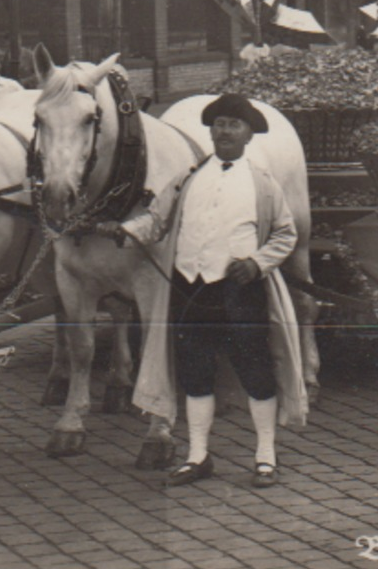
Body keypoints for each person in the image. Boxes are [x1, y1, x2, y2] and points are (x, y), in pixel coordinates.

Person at [96, 93, 300, 490]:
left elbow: (284, 233)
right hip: (190, 289)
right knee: (195, 372)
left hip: (239, 290)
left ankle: (265, 457)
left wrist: (257, 263)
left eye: (233, 126)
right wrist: (124, 230)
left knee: (255, 372)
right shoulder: (188, 178)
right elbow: (155, 222)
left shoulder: (263, 184)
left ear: (248, 135)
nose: (224, 132)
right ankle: (198, 456)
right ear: (211, 131)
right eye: (219, 124)